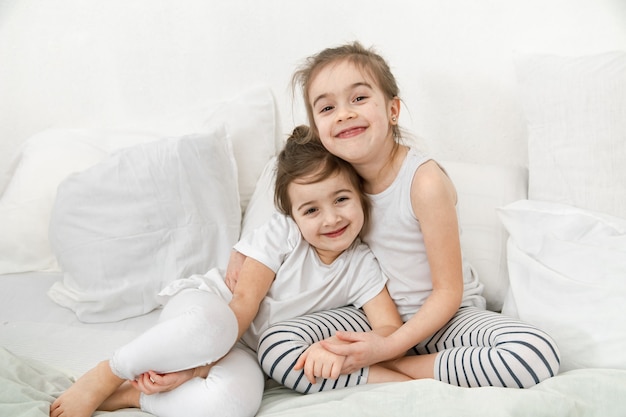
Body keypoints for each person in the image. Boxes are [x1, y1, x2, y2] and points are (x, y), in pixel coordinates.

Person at [227, 41, 561, 390]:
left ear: (393, 110)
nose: (344, 114)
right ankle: (403, 371)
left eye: (358, 98)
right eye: (327, 108)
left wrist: (387, 348)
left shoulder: (423, 181)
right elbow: (294, 207)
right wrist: (245, 251)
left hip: (445, 320)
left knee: (533, 353)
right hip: (369, 318)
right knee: (276, 345)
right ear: (318, 130)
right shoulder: (338, 178)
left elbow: (447, 291)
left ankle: (397, 372)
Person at [50, 125, 410, 417]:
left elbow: (388, 329)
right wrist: (193, 367)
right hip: (211, 312)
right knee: (215, 325)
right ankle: (108, 372)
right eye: (311, 210)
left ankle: (135, 399)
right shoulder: (283, 235)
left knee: (233, 405)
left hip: (248, 350)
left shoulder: (362, 264)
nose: (331, 218)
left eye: (341, 199)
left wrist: (348, 352)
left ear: (361, 197)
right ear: (294, 216)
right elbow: (242, 307)